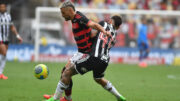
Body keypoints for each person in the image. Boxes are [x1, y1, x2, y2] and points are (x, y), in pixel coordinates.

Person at [45, 1, 126, 101]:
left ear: (70, 10)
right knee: (97, 79)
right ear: (118, 27)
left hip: (86, 53)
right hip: (104, 59)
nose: (62, 15)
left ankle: (60, 98)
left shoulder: (81, 18)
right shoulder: (114, 36)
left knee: (66, 73)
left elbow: (93, 26)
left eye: (63, 13)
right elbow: (98, 39)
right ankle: (119, 96)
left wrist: (103, 31)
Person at [0, 2, 23, 80]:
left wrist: (17, 36)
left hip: (6, 38)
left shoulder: (8, 16)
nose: (2, 8)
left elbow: (12, 27)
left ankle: (0, 73)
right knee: (4, 53)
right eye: (1, 7)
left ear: (5, 8)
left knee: (4, 55)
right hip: (0, 38)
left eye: (3, 7)